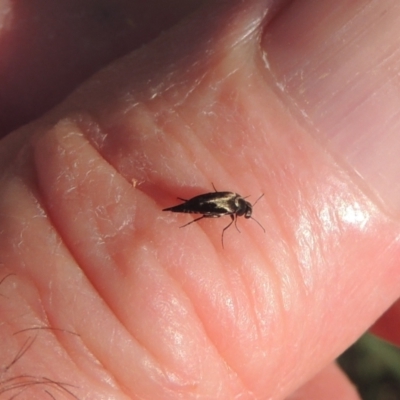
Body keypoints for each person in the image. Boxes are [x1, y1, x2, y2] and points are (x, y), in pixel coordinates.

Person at [0, 1, 399, 398]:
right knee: (192, 209)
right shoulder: (232, 205)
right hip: (202, 201)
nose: (244, 214)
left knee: (192, 208)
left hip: (202, 200)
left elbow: (218, 200)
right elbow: (217, 203)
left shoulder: (233, 202)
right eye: (246, 212)